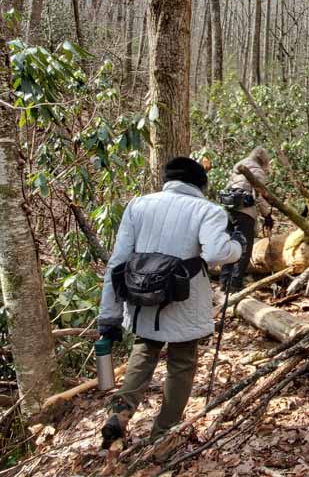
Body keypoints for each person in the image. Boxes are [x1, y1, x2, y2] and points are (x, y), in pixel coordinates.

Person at [97, 157, 244, 448]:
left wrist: (109, 315)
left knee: (144, 351)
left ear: (168, 179)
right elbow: (216, 253)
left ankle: (119, 414)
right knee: (182, 363)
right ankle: (163, 435)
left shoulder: (138, 205)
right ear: (200, 183)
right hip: (184, 301)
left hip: (142, 298)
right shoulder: (207, 210)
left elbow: (118, 261)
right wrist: (237, 245)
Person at [219, 146, 273, 292]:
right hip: (244, 212)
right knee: (244, 249)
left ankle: (224, 282)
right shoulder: (257, 171)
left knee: (230, 246)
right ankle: (235, 285)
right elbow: (259, 195)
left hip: (229, 210)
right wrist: (267, 215)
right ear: (263, 160)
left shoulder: (238, 168)